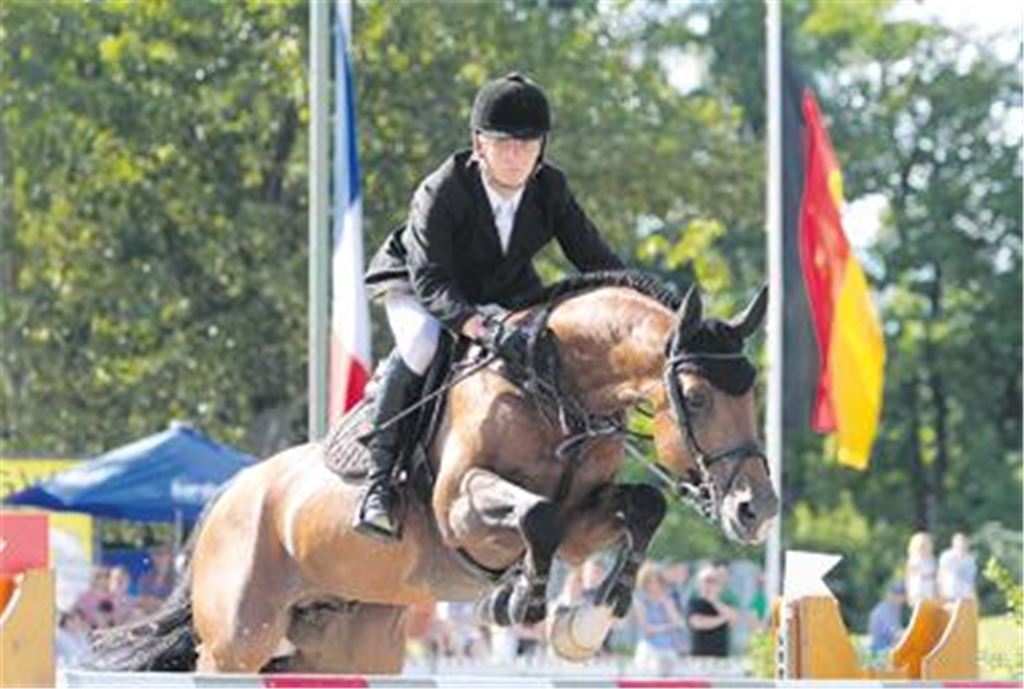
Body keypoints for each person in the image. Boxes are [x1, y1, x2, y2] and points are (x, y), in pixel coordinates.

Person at [357, 71, 624, 541]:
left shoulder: (550, 187)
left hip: (503, 288)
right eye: (505, 144)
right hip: (421, 285)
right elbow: (432, 278)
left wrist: (646, 298)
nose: (517, 155)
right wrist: (479, 327)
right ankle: (380, 481)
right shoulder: (443, 189)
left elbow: (594, 259)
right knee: (422, 346)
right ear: (480, 143)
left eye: (528, 144)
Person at [633, 561, 685, 675]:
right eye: (650, 582)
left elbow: (678, 623)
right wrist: (668, 626)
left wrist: (666, 604)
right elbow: (647, 630)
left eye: (657, 581)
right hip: (649, 649)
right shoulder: (641, 602)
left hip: (669, 648)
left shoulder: (668, 599)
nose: (654, 585)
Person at [687, 565, 738, 658]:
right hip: (700, 656)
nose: (711, 584)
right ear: (699, 583)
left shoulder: (726, 601)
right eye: (707, 580)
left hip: (721, 655)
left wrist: (714, 601)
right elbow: (698, 623)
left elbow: (734, 620)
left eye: (714, 581)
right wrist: (724, 618)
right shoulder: (694, 602)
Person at [868, 580, 906, 655]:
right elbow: (895, 634)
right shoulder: (886, 610)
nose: (902, 599)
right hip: (882, 649)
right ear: (890, 595)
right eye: (898, 595)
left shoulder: (893, 608)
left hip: (886, 647)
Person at [938, 532, 977, 601]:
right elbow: (940, 574)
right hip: (949, 593)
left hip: (965, 595)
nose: (962, 545)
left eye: (965, 543)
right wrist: (940, 590)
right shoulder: (947, 556)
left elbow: (971, 579)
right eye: (960, 543)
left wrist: (973, 594)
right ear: (954, 544)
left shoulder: (970, 559)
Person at [905, 531, 938, 607]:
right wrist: (909, 594)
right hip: (917, 589)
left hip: (929, 589)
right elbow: (908, 578)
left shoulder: (932, 560)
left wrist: (936, 592)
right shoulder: (912, 560)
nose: (922, 547)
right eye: (920, 545)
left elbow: (936, 576)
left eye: (924, 545)